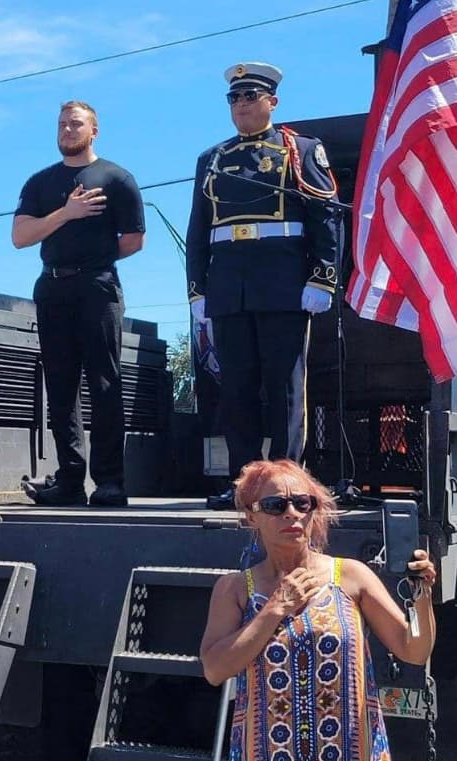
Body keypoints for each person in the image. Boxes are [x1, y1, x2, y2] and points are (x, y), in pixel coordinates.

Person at [201, 459, 436, 760]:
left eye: (302, 503)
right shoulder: (234, 589)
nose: (292, 513)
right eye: (276, 505)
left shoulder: (351, 576)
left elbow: (414, 650)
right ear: (252, 516)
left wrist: (421, 594)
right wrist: (275, 609)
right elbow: (215, 669)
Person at [185, 63, 339, 510]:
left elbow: (324, 218)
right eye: (234, 98)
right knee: (236, 389)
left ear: (272, 100)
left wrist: (322, 277)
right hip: (230, 282)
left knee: (285, 387)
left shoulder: (300, 149)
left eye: (251, 96)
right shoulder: (212, 158)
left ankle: (288, 486)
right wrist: (198, 290)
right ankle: (247, 487)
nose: (241, 105)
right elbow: (199, 228)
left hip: (283, 281)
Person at [11, 100, 145, 507]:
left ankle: (109, 482)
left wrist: (93, 260)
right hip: (52, 289)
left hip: (98, 289)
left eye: (76, 124)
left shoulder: (117, 179)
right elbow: (21, 235)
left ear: (94, 130)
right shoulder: (40, 183)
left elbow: (133, 240)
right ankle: (69, 480)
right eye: (62, 124)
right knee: (61, 386)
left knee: (104, 384)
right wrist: (66, 213)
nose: (68, 130)